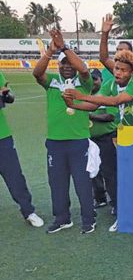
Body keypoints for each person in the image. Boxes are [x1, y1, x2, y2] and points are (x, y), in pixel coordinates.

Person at [33, 29, 96, 234]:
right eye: (63, 63)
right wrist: (51, 51)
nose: (68, 67)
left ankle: (88, 219)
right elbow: (37, 74)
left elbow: (84, 69)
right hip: (55, 141)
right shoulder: (52, 82)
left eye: (70, 64)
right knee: (57, 183)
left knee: (82, 182)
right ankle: (62, 218)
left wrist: (64, 48)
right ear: (58, 66)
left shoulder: (84, 83)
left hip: (79, 141)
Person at [64, 50, 133, 130]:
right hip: (127, 130)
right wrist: (72, 105)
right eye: (117, 68)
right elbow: (93, 105)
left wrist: (81, 96)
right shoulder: (111, 84)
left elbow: (115, 101)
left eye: (123, 70)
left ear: (131, 73)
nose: (118, 72)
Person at [0, 70, 44, 227]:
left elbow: (9, 98)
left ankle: (28, 211)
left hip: (2, 136)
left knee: (14, 176)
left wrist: (5, 95)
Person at [88, 69, 118, 222]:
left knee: (109, 172)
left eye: (95, 79)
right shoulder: (85, 96)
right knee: (93, 171)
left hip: (106, 138)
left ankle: (116, 203)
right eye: (90, 79)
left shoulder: (107, 94)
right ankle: (100, 198)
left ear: (101, 79)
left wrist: (90, 115)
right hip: (89, 139)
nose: (93, 82)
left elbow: (110, 116)